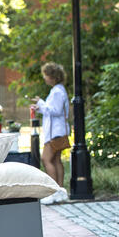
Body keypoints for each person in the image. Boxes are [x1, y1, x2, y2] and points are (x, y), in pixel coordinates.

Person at [31, 62, 70, 203]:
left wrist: (41, 103)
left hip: (56, 132)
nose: (44, 78)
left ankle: (53, 192)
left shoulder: (58, 92)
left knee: (46, 159)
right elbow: (51, 110)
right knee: (56, 160)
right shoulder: (58, 90)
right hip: (57, 130)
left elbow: (55, 110)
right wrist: (40, 107)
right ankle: (60, 191)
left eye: (46, 75)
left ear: (52, 77)